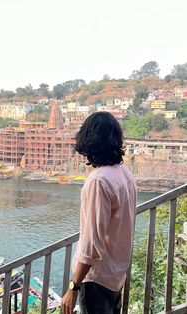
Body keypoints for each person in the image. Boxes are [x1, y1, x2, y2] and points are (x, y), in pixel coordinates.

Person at [61, 112, 137, 314]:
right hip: (116, 274)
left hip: (96, 280)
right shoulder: (123, 173)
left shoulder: (99, 181)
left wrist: (74, 286)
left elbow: (91, 243)